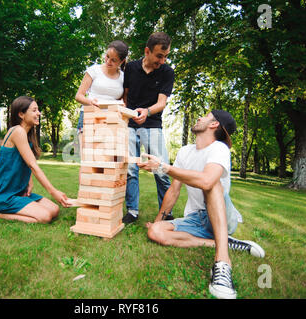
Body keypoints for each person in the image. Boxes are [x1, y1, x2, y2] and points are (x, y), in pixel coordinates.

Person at [138, 110, 265, 299]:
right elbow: (174, 190)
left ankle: (222, 262)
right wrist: (157, 221)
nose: (199, 117)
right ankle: (222, 243)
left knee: (211, 184)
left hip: (222, 217)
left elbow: (206, 181)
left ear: (214, 125)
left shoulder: (219, 149)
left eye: (205, 116)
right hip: (197, 218)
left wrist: (163, 167)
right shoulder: (185, 151)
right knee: (155, 232)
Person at [0, 96, 71, 223]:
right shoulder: (17, 131)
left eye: (38, 110)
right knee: (45, 217)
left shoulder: (27, 135)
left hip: (18, 192)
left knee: (54, 210)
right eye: (34, 110)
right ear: (21, 114)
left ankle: (5, 209)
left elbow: (24, 161)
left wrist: (29, 181)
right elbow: (32, 165)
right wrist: (54, 192)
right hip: (3, 194)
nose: (39, 113)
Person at [122, 32, 175, 224]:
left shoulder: (168, 72)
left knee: (161, 170)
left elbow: (162, 103)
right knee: (130, 169)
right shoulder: (131, 68)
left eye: (166, 56)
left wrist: (146, 111)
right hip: (129, 125)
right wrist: (128, 115)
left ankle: (167, 212)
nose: (162, 60)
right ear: (147, 51)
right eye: (159, 55)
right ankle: (132, 211)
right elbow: (125, 96)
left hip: (153, 125)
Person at [75, 40, 129, 157]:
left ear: (122, 61)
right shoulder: (94, 70)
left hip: (111, 121)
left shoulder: (124, 78)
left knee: (106, 160)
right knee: (87, 160)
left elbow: (124, 102)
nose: (108, 61)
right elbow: (78, 96)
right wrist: (90, 102)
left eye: (113, 60)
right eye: (107, 56)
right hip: (89, 117)